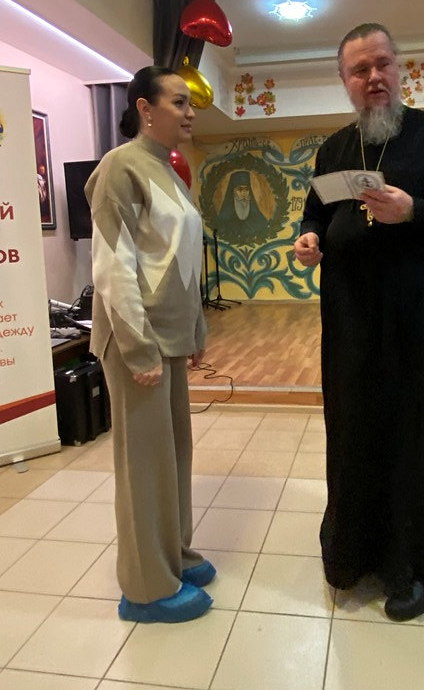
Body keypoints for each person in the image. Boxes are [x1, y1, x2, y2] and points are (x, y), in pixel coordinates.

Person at [294, 23, 424, 622]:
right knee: (353, 433)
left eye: (382, 63)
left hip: (416, 323)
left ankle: (416, 568)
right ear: (345, 81)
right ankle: (352, 555)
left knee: (416, 437)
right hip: (349, 322)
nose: (373, 77)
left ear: (399, 68)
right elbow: (315, 212)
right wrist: (308, 239)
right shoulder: (334, 148)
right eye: (360, 69)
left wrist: (414, 209)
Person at [85, 66, 216, 623]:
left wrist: (195, 329)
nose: (190, 112)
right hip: (136, 342)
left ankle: (173, 555)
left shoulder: (167, 168)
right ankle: (144, 588)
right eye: (179, 102)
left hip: (169, 337)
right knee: (143, 465)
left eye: (190, 104)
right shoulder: (120, 167)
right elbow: (113, 265)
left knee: (173, 457)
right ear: (145, 107)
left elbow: (180, 259)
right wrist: (138, 349)